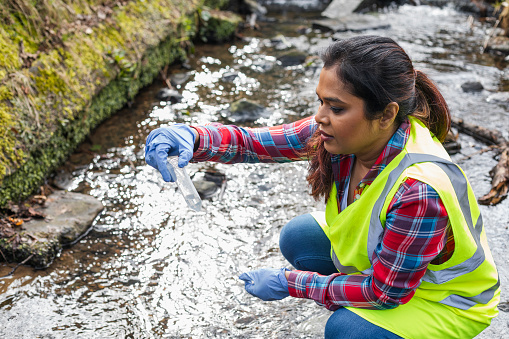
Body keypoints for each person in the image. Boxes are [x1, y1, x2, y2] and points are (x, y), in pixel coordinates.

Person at [144, 36, 500, 339]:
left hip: (443, 301)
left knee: (345, 329)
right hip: (395, 268)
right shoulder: (342, 135)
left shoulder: (419, 191)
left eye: (337, 107)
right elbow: (256, 144)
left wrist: (292, 283)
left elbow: (384, 292)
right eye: (321, 101)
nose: (320, 117)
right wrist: (191, 136)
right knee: (298, 236)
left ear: (387, 114)